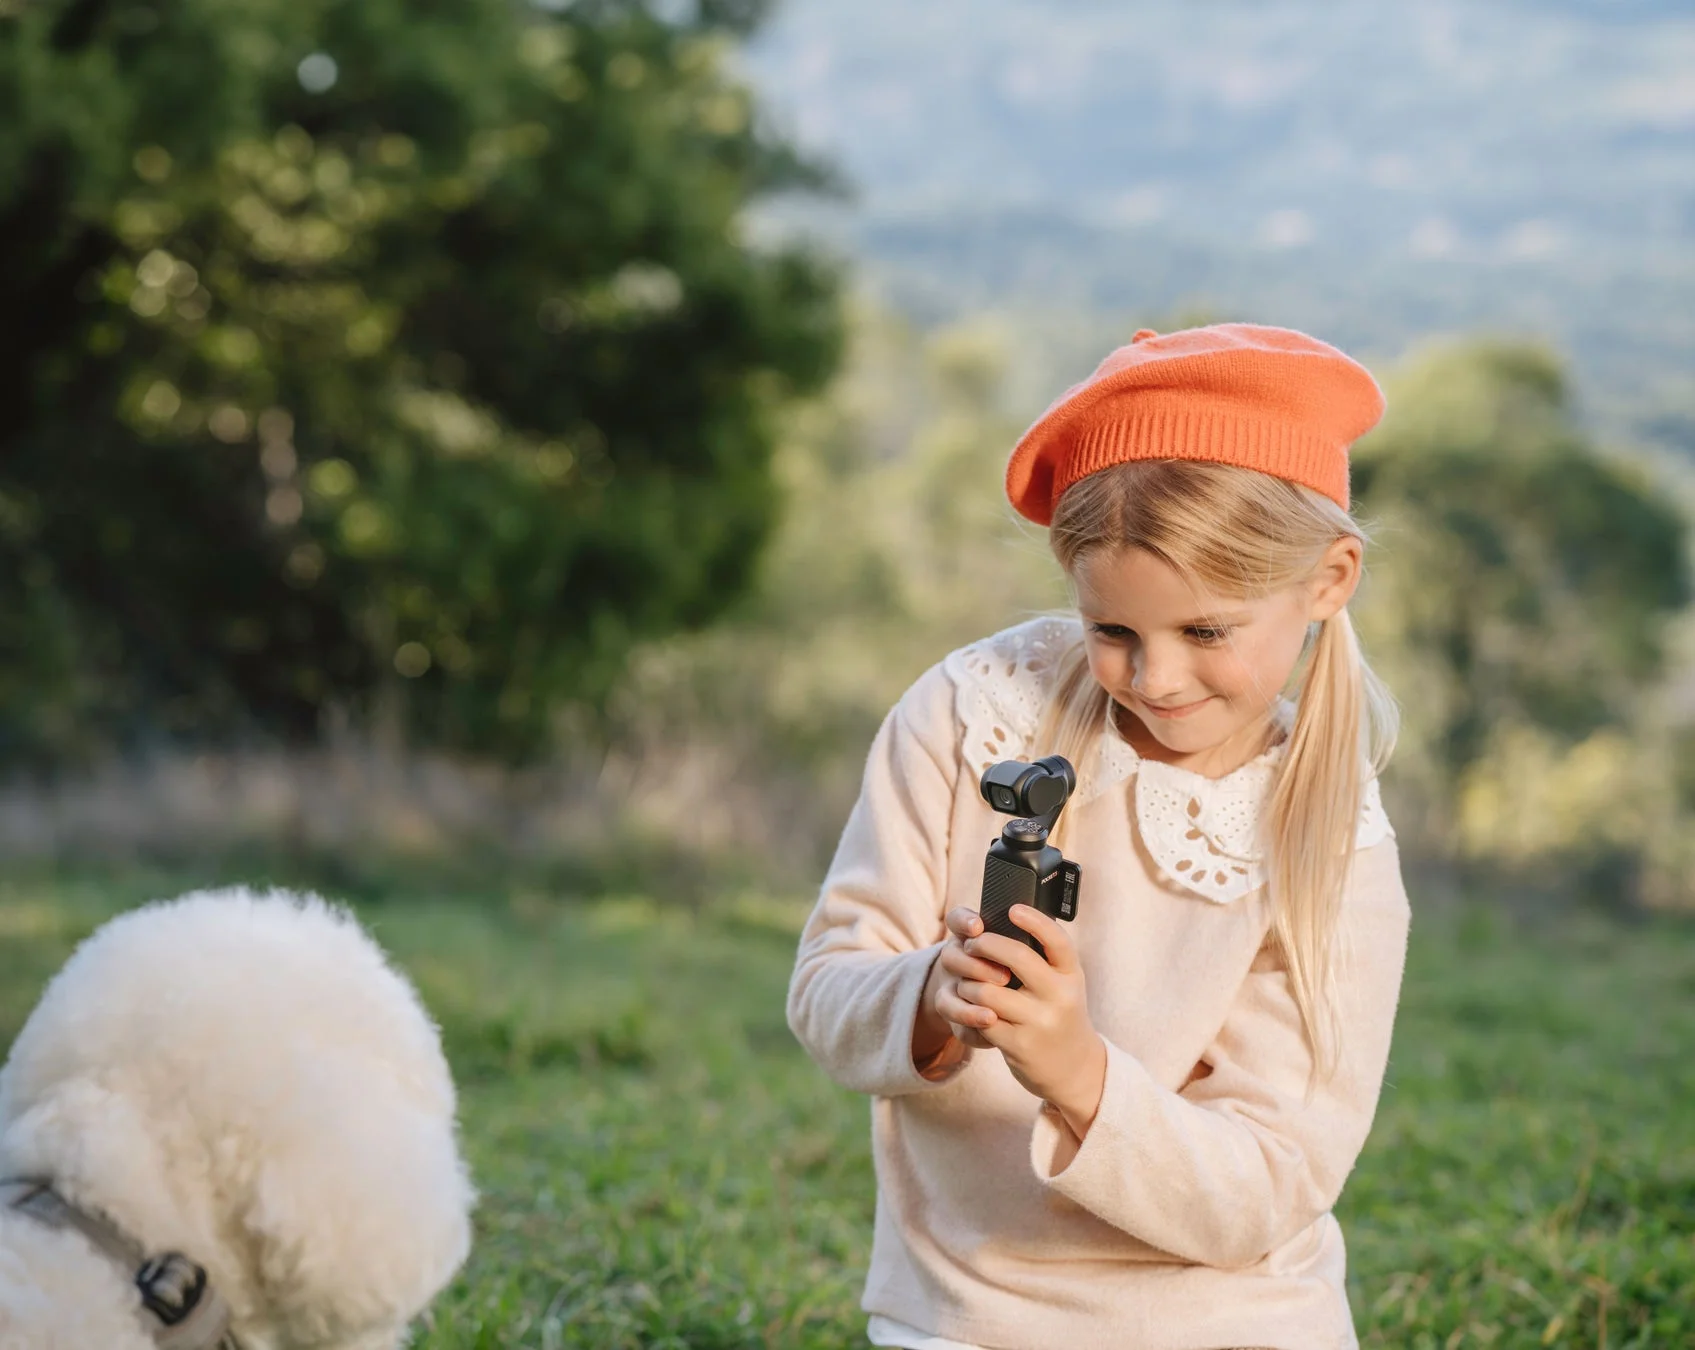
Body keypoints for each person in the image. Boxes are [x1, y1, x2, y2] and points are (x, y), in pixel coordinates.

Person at [786, 323, 1412, 1350]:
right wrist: (929, 1000)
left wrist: (1077, 1071)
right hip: (970, 1314)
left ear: (1330, 580)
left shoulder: (1335, 844)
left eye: (1206, 631)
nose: (1156, 678)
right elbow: (824, 990)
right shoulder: (970, 713)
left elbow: (1267, 1187)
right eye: (1112, 632)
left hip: (1237, 1321)